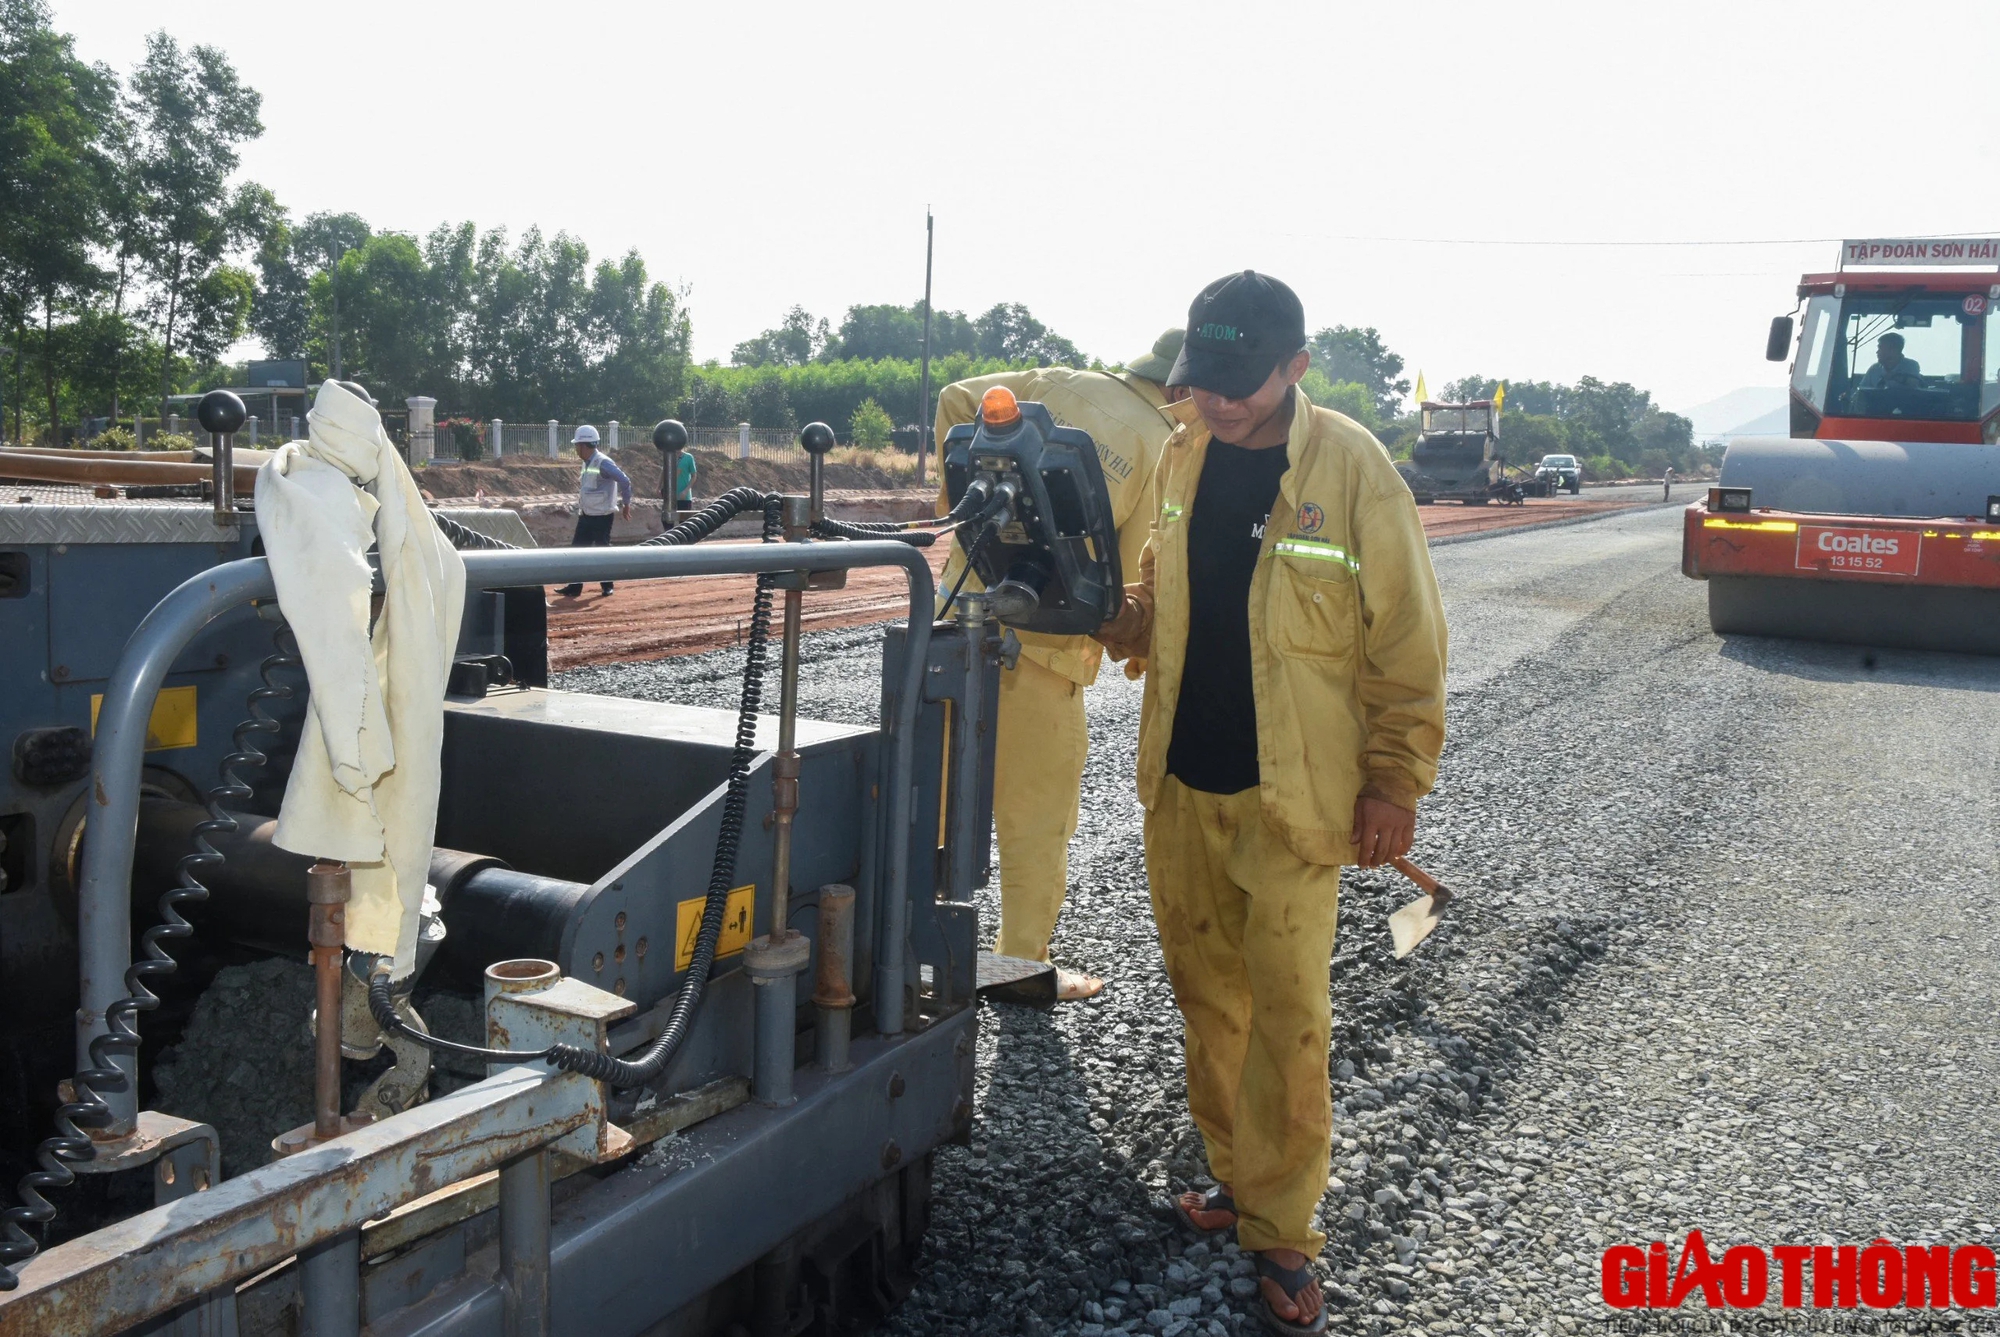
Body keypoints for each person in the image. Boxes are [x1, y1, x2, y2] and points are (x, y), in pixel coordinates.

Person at [1095, 272, 1447, 1335]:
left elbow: (1406, 642)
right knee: (1206, 995)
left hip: (1292, 799)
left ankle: (1283, 1224)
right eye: (1204, 382)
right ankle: (1234, 1175)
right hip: (1181, 783)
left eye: (1240, 384)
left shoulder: (1351, 472)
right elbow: (1162, 598)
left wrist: (1393, 780)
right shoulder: (1180, 449)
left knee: (1288, 1018)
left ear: (1297, 366)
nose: (1218, 403)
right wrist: (1116, 614)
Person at [934, 329, 1189, 1000]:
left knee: (927, 802)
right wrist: (1139, 649)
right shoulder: (1166, 442)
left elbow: (956, 398)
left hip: (950, 626)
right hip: (1041, 655)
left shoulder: (1057, 382)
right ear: (1180, 386)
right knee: (1034, 819)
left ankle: (913, 956)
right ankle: (1016, 966)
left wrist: (962, 514)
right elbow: (1128, 584)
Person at [555, 425, 631, 599]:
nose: (575, 449)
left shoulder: (603, 462)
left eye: (577, 446)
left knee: (602, 551)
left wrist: (626, 504)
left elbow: (625, 481)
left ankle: (607, 586)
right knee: (577, 551)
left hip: (602, 517)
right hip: (587, 514)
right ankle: (574, 587)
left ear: (584, 445)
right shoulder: (587, 463)